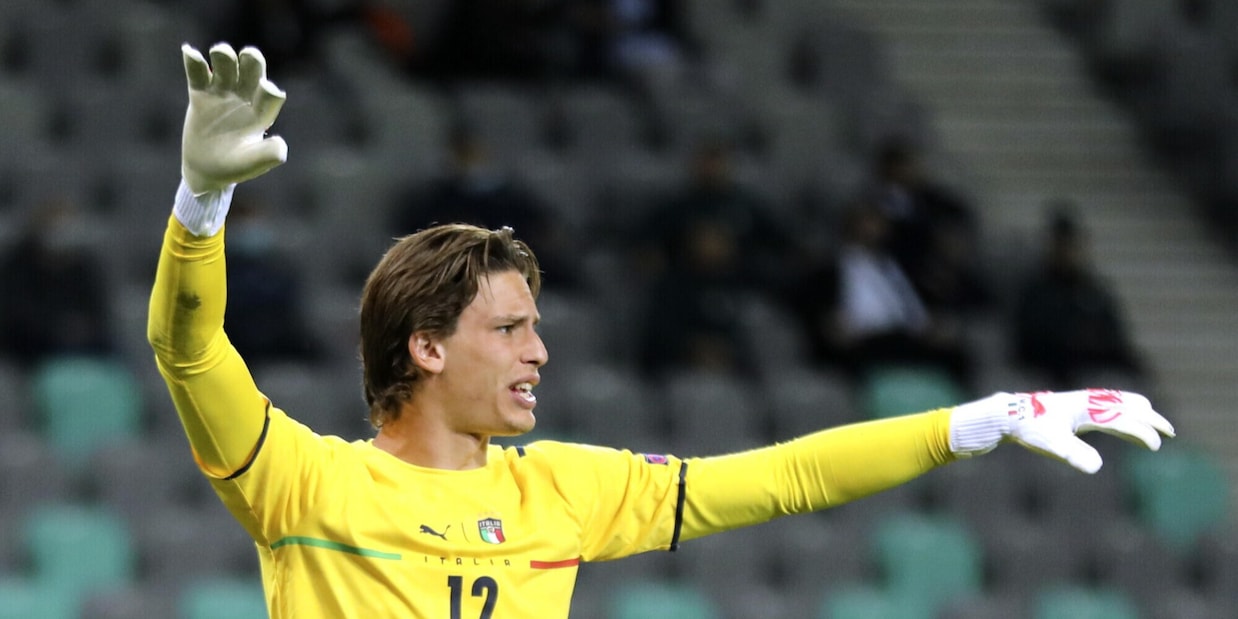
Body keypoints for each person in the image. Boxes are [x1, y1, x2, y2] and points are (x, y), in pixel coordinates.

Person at [147, 43, 1175, 618]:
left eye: (536, 327)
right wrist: (201, 203)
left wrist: (978, 421)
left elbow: (785, 477)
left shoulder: (564, 491)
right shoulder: (303, 484)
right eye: (508, 329)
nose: (539, 351)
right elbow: (188, 348)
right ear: (427, 346)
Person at [1012, 206, 1146, 388]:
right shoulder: (1036, 291)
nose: (1069, 253)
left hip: (1094, 370)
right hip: (1051, 374)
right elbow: (1028, 342)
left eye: (1073, 246)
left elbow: (1113, 337)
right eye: (1063, 245)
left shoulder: (1094, 291)